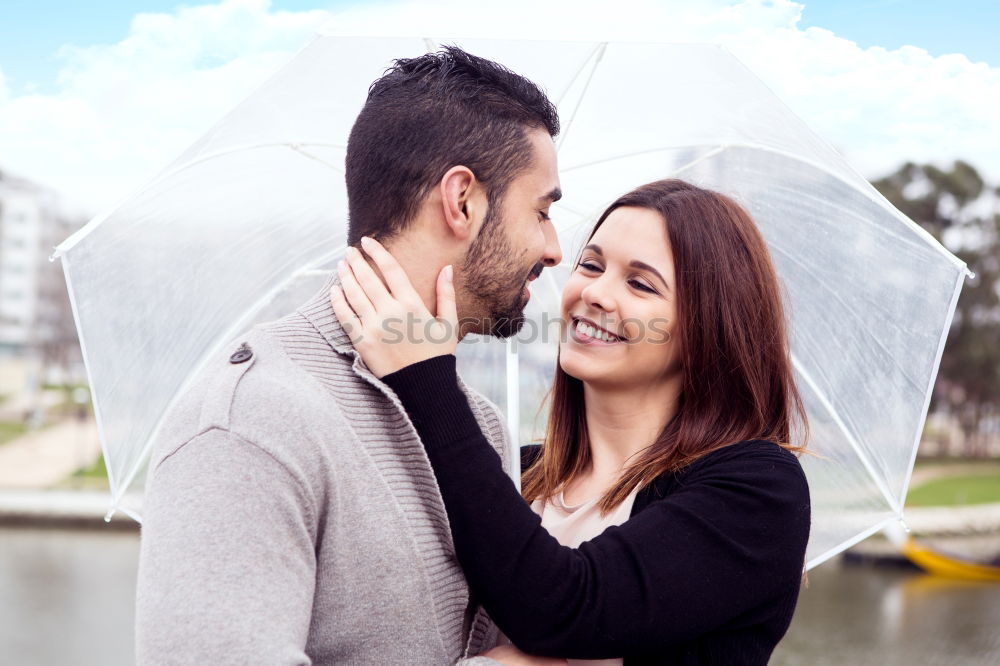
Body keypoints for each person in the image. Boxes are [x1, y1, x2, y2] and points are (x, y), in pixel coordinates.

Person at [135, 46, 565, 665]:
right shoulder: (252, 419)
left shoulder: (484, 427)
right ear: (462, 201)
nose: (554, 249)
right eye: (543, 211)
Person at [332, 179, 812, 665]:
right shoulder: (515, 474)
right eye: (591, 265)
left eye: (641, 283)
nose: (596, 293)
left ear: (710, 326)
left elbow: (564, 609)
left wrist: (428, 379)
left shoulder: (758, 490)